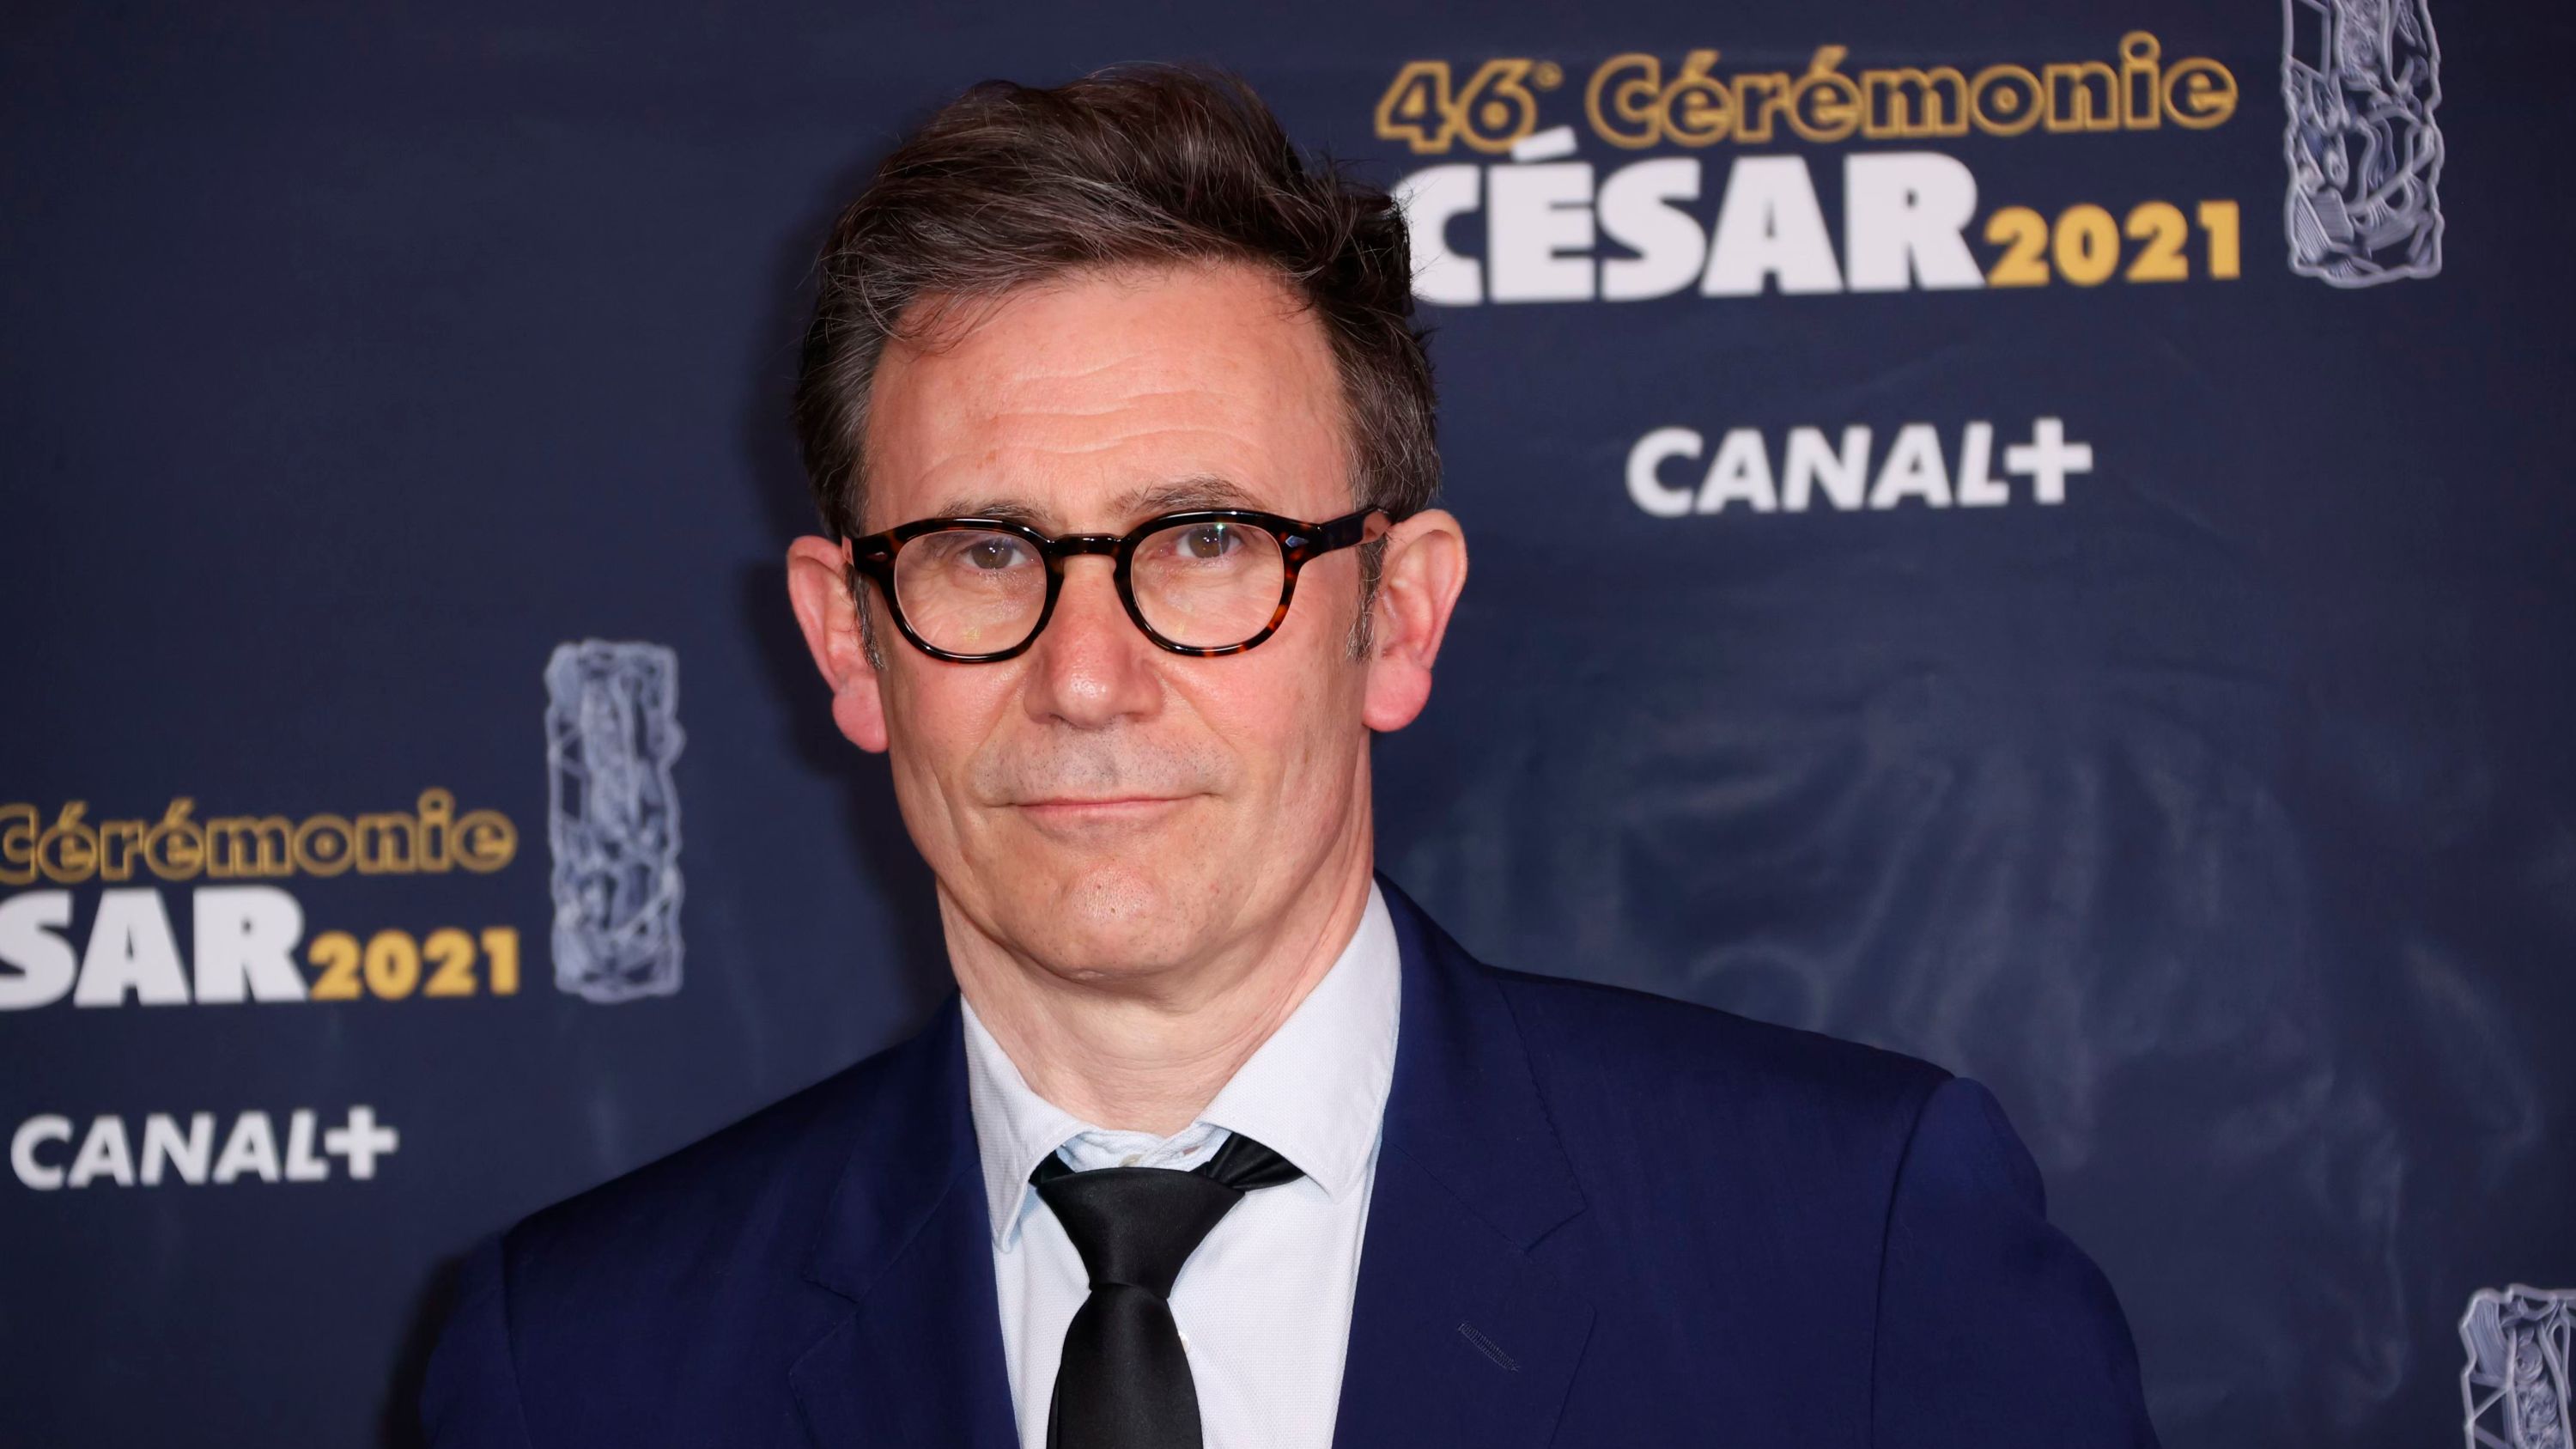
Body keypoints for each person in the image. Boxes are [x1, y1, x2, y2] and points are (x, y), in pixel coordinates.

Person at [421, 64, 2160, 1449]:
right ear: (847, 641)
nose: (1085, 678)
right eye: (982, 552)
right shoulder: (576, 1361)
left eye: (1202, 543)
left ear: (1395, 617)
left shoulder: (1847, 1249)